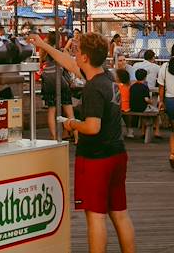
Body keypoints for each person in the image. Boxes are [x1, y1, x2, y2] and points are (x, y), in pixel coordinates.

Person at [28, 32, 135, 253]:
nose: (74, 55)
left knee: (95, 215)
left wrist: (72, 123)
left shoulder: (93, 88)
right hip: (117, 153)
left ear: (85, 57)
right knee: (119, 212)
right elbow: (68, 62)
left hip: (96, 158)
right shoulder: (107, 77)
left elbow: (92, 127)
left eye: (77, 52)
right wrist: (44, 46)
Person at [39, 32, 75, 140]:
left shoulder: (44, 50)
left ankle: (53, 136)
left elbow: (41, 63)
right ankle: (76, 137)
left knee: (51, 110)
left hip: (47, 80)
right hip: (60, 80)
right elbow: (67, 64)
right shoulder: (58, 51)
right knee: (68, 108)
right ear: (57, 40)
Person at [156, 48, 174, 167]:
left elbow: (161, 87)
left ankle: (172, 154)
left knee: (173, 130)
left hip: (170, 100)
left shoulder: (165, 67)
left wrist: (161, 101)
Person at [129, 69, 152, 140]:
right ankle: (153, 131)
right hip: (142, 108)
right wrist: (151, 102)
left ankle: (143, 132)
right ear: (145, 77)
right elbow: (146, 99)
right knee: (156, 112)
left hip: (132, 108)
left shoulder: (132, 87)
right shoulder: (145, 87)